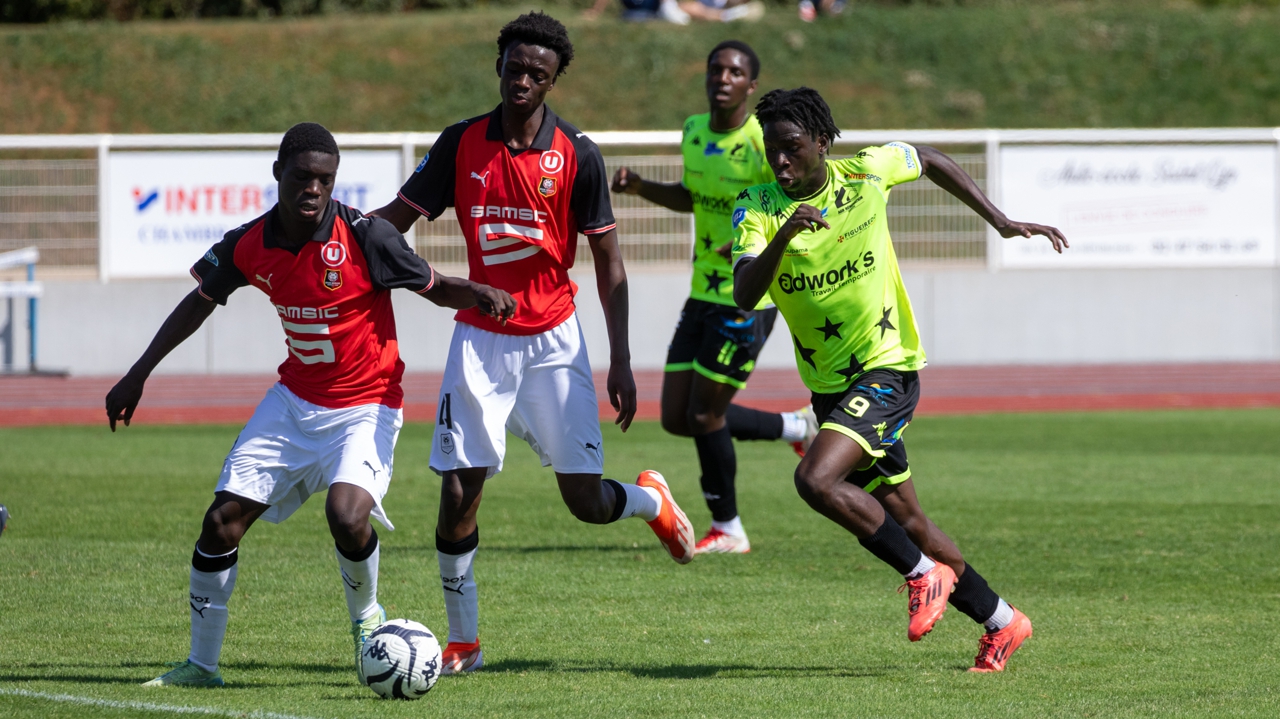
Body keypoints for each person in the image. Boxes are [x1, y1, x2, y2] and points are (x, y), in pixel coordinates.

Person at [105, 123, 516, 688]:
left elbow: (436, 285)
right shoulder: (248, 244)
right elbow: (198, 303)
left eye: (325, 179)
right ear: (279, 174)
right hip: (294, 402)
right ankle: (201, 667)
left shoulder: (367, 237)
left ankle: (367, 619)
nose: (314, 189)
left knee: (347, 516)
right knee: (221, 523)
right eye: (302, 177)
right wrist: (137, 375)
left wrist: (477, 291)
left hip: (368, 404)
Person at [369, 12, 694, 677]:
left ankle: (650, 501)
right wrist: (344, 238)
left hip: (554, 342)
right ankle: (465, 640)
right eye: (514, 68)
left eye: (536, 74)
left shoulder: (578, 154)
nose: (522, 80)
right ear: (499, 67)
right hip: (479, 342)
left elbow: (609, 260)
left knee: (584, 501)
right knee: (459, 489)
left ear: (552, 81)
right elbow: (391, 225)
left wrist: (624, 358)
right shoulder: (461, 144)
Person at [731, 88, 1068, 672]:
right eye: (772, 151)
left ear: (822, 144)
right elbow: (744, 292)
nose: (781, 162)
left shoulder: (865, 173)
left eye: (792, 148)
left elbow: (930, 158)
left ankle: (921, 576)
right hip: (832, 386)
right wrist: (785, 235)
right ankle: (1003, 621)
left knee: (815, 478)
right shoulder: (755, 207)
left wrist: (1001, 222)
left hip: (888, 368)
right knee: (908, 521)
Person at [611, 41, 816, 555]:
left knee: (704, 415)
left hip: (746, 300)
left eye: (735, 71)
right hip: (702, 289)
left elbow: (793, 202)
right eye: (715, 69)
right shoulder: (693, 130)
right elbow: (690, 196)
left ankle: (729, 528)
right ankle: (795, 426)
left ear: (751, 85)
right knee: (676, 417)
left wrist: (754, 241)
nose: (722, 77)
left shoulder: (762, 141)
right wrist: (641, 187)